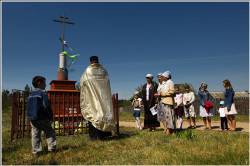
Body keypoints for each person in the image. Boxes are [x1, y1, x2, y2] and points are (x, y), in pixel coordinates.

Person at [80, 56, 116, 140]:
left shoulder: (88, 70)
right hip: (104, 97)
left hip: (93, 98)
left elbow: (82, 82)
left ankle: (94, 136)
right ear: (98, 61)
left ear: (90, 62)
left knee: (93, 114)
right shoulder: (104, 70)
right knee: (104, 113)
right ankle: (105, 134)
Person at [27, 76, 56, 156]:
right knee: (49, 131)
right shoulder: (42, 93)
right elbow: (46, 106)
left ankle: (36, 152)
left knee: (35, 134)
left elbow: (28, 107)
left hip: (33, 118)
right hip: (42, 117)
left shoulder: (30, 95)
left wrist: (30, 117)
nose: (46, 85)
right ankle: (52, 148)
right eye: (44, 83)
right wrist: (50, 116)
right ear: (39, 83)